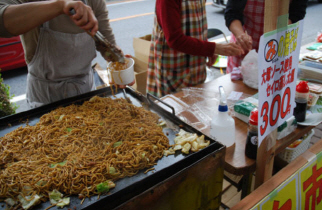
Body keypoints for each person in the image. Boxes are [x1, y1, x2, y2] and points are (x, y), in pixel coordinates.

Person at [0, 0, 128, 108]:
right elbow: (2, 22)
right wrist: (60, 6)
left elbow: (106, 41)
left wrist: (119, 62)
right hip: (45, 98)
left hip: (86, 92)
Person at [147, 0, 243, 98]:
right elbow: (174, 39)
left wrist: (207, 47)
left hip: (195, 63)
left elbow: (197, 23)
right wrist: (213, 48)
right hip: (174, 66)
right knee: (174, 105)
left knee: (196, 101)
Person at [224, 0, 308, 73]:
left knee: (275, 85)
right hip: (245, 50)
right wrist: (240, 35)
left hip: (279, 48)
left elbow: (297, 13)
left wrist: (278, 34)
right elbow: (232, 13)